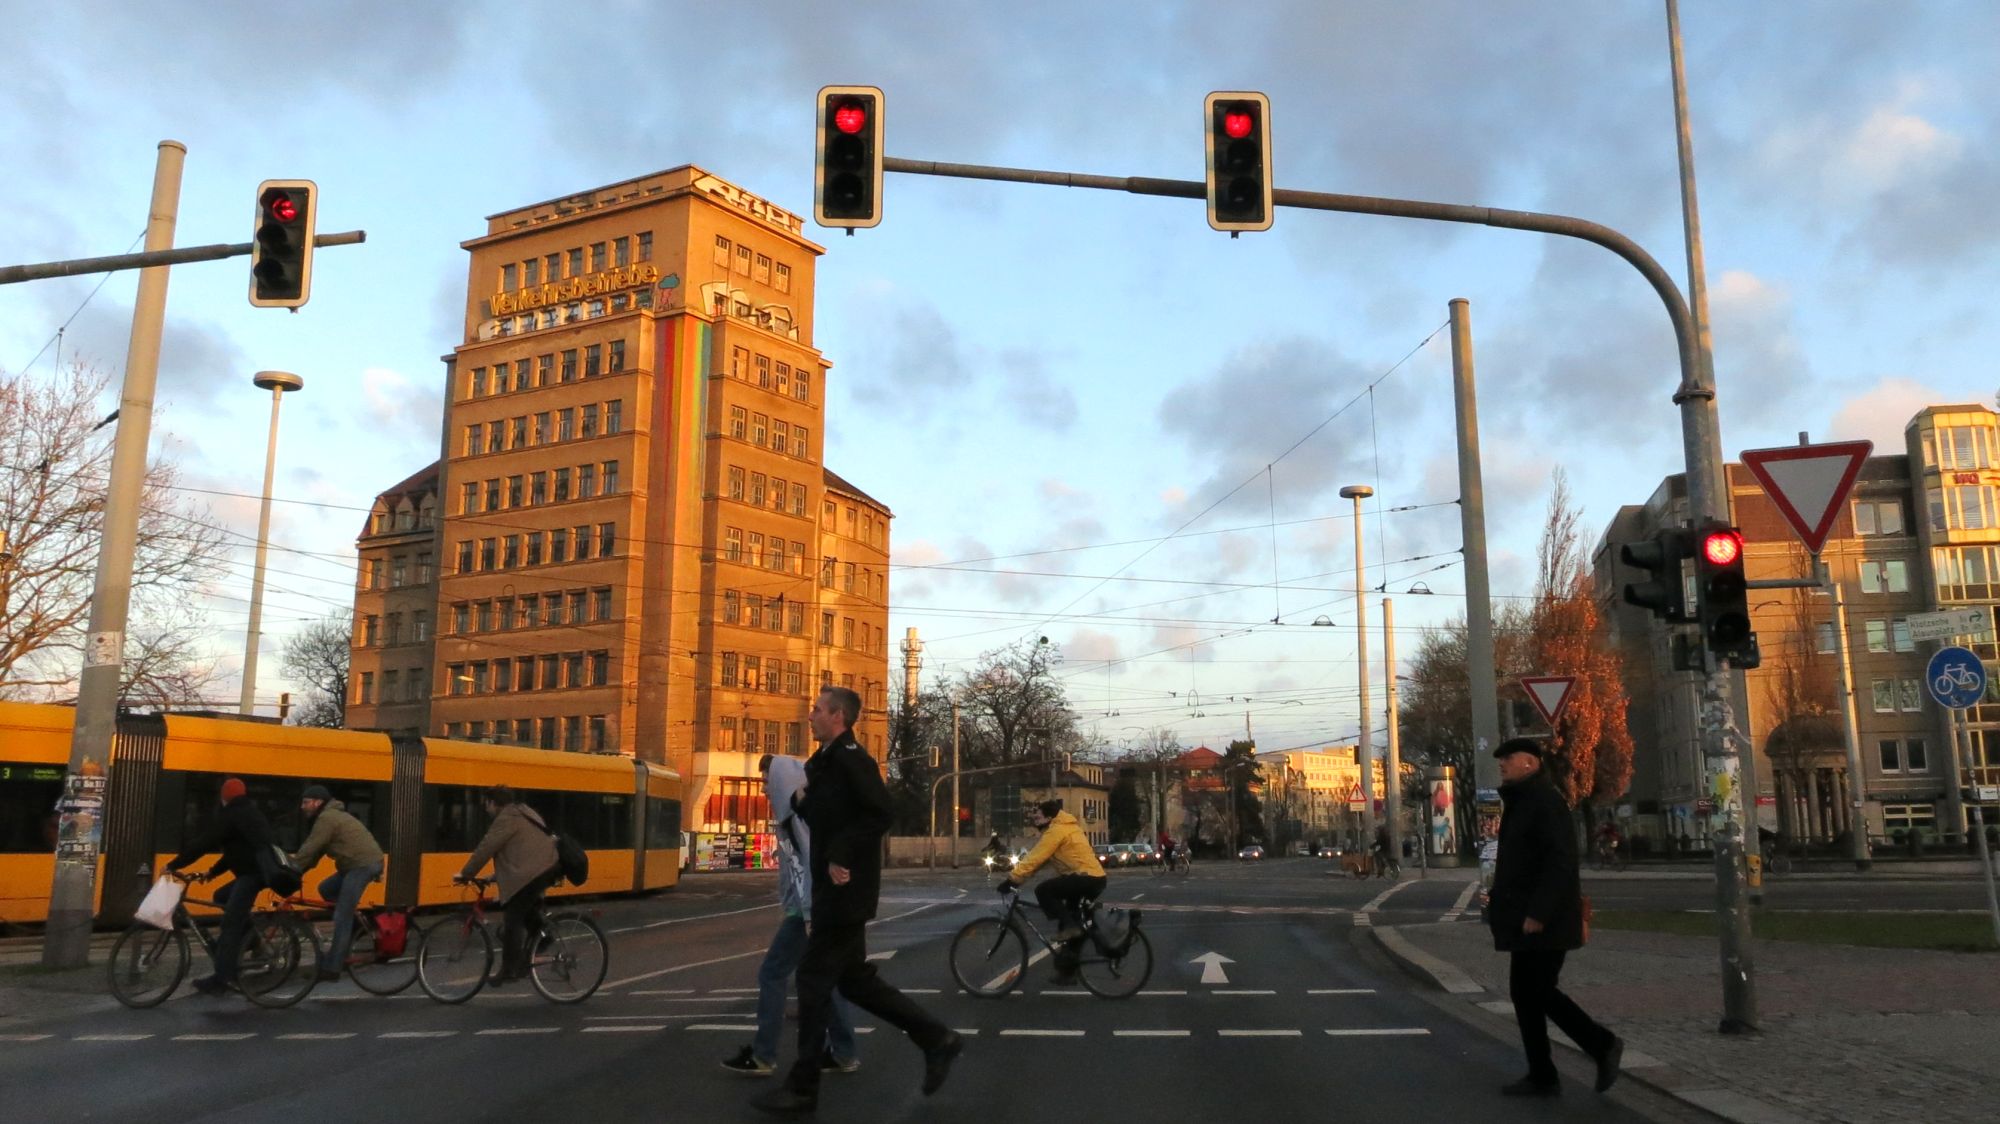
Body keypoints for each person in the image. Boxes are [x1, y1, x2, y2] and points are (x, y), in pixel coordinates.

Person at [752, 687, 962, 1118]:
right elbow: (830, 816)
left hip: (847, 889)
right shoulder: (824, 763)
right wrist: (799, 802)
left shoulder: (853, 760)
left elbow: (879, 813)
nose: (809, 715)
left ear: (838, 717)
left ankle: (803, 1088)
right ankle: (936, 1038)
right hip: (834, 887)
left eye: (816, 709)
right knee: (854, 982)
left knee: (811, 980)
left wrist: (841, 855)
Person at [1487, 737, 1623, 1097]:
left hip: (1545, 919)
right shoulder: (1524, 801)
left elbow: (1560, 861)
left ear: (1530, 763)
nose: (1501, 763)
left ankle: (1601, 1044)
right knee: (1526, 993)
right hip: (1527, 916)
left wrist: (1538, 912)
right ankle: (1543, 1073)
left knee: (1538, 991)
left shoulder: (1544, 802)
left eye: (1508, 758)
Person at [722, 753, 859, 1078]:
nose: (765, 788)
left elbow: (807, 864)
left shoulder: (795, 819)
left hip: (808, 910)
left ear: (782, 781)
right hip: (812, 906)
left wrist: (808, 914)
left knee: (772, 973)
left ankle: (763, 1055)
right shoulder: (794, 815)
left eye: (768, 780)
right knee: (824, 978)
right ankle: (844, 1052)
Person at [165, 777, 274, 996]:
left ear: (225, 796)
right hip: (256, 871)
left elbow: (205, 843)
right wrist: (212, 872)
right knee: (221, 896)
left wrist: (174, 865)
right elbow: (238, 849)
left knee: (230, 924)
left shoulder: (232, 814)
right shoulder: (248, 812)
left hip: (252, 875)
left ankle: (223, 978)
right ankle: (251, 940)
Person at [454, 785, 559, 986]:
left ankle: (509, 970)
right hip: (545, 868)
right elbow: (521, 852)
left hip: (535, 872)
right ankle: (542, 938)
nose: (486, 809)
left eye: (487, 804)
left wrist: (466, 874)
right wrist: (494, 876)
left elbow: (486, 847)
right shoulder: (523, 811)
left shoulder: (506, 818)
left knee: (513, 917)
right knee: (525, 911)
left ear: (493, 803)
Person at [1002, 798, 1107, 982]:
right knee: (1072, 922)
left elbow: (1035, 857)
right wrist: (1020, 879)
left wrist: (1012, 880)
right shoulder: (1068, 826)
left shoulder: (1056, 831)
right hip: (1092, 879)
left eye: (1038, 817)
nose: (1035, 821)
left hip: (1084, 878)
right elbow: (1039, 863)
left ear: (1049, 817)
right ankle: (1067, 972)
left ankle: (1070, 929)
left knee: (1044, 891)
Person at [292, 784, 385, 982]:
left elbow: (310, 848)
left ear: (317, 802)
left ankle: (333, 968)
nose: (303, 806)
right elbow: (315, 854)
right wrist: (296, 870)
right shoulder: (328, 816)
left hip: (363, 865)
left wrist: (291, 868)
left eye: (306, 802)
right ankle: (355, 927)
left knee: (342, 915)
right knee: (326, 889)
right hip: (352, 865)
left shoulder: (327, 818)